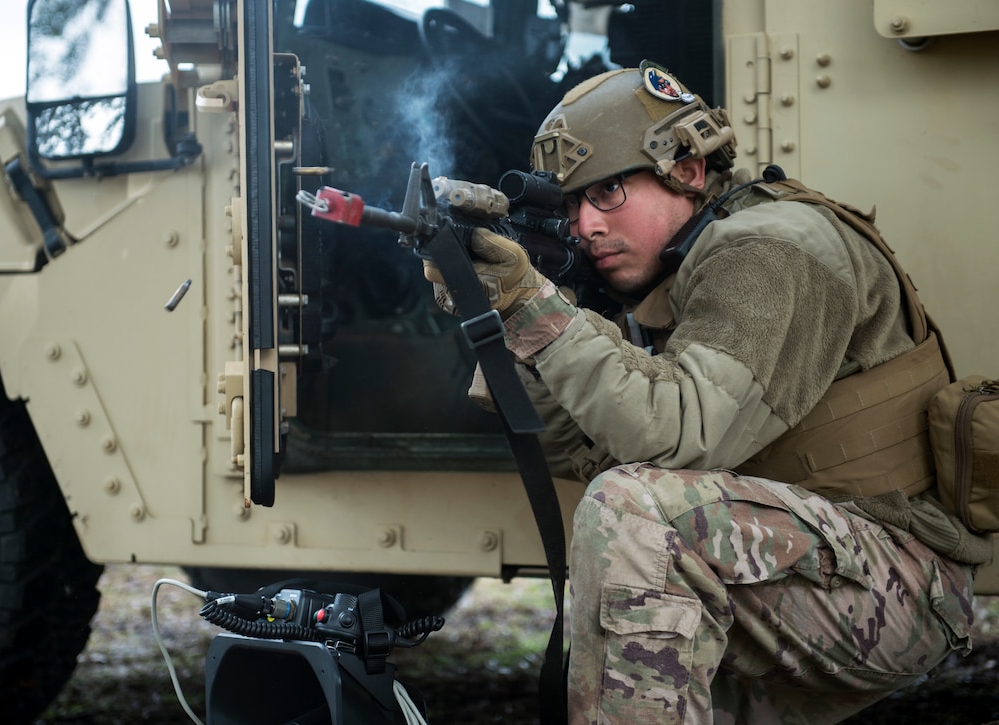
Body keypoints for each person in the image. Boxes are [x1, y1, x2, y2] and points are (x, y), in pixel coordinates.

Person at [423, 62, 992, 724]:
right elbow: (583, 449)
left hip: (898, 582)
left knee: (634, 514)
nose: (585, 224)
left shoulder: (771, 250)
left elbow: (670, 434)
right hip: (805, 566)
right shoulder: (674, 266)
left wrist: (536, 309)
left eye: (607, 190)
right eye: (571, 205)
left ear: (687, 170)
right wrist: (510, 313)